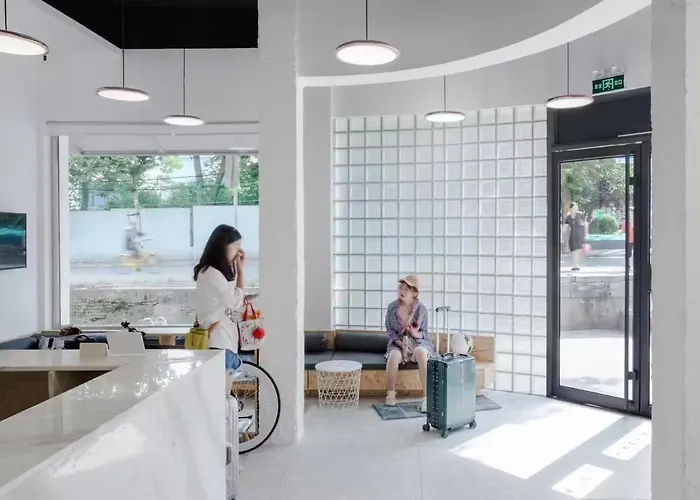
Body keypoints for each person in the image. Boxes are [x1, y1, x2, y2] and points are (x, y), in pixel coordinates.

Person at [193, 224, 246, 373]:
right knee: (226, 387)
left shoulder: (209, 272)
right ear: (224, 247)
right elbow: (234, 301)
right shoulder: (211, 274)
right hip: (219, 343)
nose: (239, 252)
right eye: (236, 247)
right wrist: (241, 271)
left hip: (218, 343)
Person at [384, 275, 434, 412]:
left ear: (414, 293)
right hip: (398, 343)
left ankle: (427, 398)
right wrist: (401, 344)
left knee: (422, 354)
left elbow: (424, 333)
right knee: (393, 356)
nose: (402, 291)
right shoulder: (392, 307)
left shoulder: (421, 309)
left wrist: (414, 333)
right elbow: (390, 331)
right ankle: (390, 394)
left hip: (417, 343)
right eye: (401, 288)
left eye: (407, 289)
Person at [564, 202, 587, 271]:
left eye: (576, 208)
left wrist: (586, 234)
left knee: (580, 250)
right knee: (574, 250)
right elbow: (565, 227)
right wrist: (562, 236)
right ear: (570, 209)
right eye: (573, 208)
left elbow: (585, 224)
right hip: (572, 236)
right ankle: (575, 265)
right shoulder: (568, 217)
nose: (575, 209)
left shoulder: (580, 215)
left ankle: (577, 264)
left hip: (580, 235)